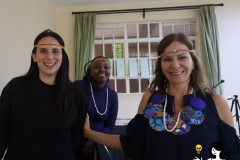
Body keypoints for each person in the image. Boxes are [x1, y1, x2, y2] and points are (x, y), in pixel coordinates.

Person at [83, 33, 240, 160]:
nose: (175, 64)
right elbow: (131, 143)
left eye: (182, 57)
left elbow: (232, 153)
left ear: (193, 63)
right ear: (161, 66)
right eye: (167, 59)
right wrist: (89, 133)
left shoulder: (216, 102)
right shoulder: (149, 100)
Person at [0, 29, 88, 160]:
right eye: (43, 51)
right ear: (34, 56)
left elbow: (74, 136)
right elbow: (2, 131)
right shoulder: (15, 87)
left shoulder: (77, 95)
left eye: (55, 51)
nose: (50, 57)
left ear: (62, 57)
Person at [73, 56, 118, 160]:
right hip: (72, 145)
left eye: (106, 67)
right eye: (96, 67)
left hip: (97, 147)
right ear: (91, 71)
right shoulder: (77, 86)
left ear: (110, 71)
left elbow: (110, 126)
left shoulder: (112, 95)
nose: (102, 69)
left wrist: (94, 139)